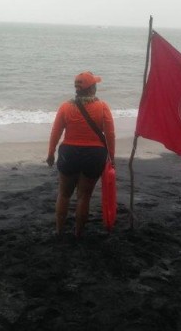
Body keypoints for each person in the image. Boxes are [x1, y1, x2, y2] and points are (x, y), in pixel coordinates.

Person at [46, 71, 115, 238]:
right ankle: (78, 233)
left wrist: (50, 153)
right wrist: (111, 158)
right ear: (92, 88)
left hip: (69, 153)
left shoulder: (65, 107)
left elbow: (56, 132)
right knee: (84, 197)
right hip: (94, 154)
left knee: (64, 194)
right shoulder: (102, 106)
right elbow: (110, 134)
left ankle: (59, 231)